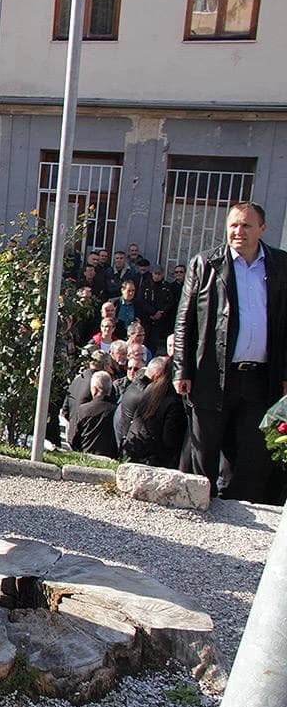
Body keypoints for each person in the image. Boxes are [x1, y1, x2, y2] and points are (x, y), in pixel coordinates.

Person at [174, 202, 287, 503]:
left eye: (246, 225)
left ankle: (238, 509)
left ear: (262, 229)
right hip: (214, 373)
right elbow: (185, 320)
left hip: (262, 377)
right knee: (205, 445)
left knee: (253, 450)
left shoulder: (281, 265)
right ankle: (197, 502)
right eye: (234, 225)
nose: (238, 231)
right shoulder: (206, 263)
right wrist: (182, 369)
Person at [122, 356, 187, 468]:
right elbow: (170, 440)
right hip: (152, 460)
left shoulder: (151, 388)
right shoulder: (174, 401)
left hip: (134, 451)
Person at [68, 372, 118, 459]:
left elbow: (72, 439)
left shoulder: (83, 410)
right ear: (110, 390)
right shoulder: (116, 411)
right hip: (110, 460)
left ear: (94, 389)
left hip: (85, 457)